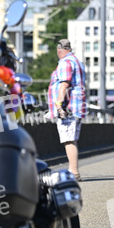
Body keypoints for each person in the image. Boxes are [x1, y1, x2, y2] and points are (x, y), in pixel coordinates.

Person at [48, 39, 87, 180]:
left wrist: (59, 104)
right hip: (77, 106)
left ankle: (73, 172)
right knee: (72, 139)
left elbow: (64, 84)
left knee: (68, 140)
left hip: (68, 107)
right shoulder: (78, 62)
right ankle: (73, 170)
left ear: (59, 51)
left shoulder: (65, 62)